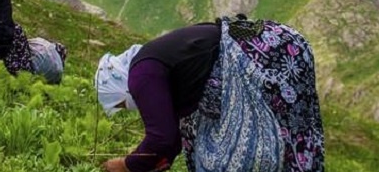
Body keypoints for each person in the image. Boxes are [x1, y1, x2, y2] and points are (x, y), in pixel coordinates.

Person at [94, 14, 325, 172]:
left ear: (117, 86)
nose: (128, 108)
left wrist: (126, 165)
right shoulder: (152, 63)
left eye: (121, 104)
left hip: (268, 57)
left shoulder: (140, 75)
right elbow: (171, 141)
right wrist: (154, 163)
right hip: (279, 47)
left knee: (258, 149)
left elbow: (161, 138)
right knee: (292, 133)